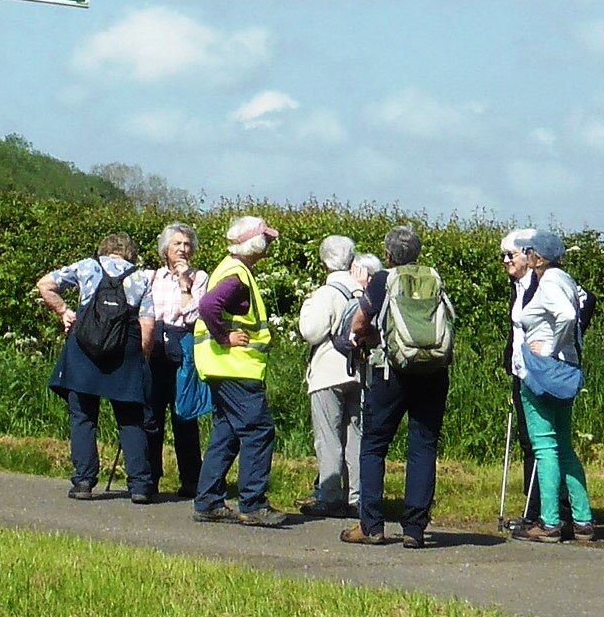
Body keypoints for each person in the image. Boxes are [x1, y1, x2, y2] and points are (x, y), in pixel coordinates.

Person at [344, 225, 451, 551]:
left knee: (375, 444)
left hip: (392, 373)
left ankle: (372, 525)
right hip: (433, 370)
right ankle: (415, 529)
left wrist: (358, 337)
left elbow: (361, 321)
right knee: (423, 447)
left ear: (388, 255)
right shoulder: (433, 278)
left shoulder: (382, 280)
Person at [36, 233, 157, 503]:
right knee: (130, 418)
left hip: (85, 346)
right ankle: (139, 485)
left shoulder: (87, 266)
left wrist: (64, 312)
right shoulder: (140, 278)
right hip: (125, 350)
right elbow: (147, 325)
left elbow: (45, 284)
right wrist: (142, 358)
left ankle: (83, 481)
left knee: (83, 415)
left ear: (104, 249)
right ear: (129, 253)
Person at [191, 215, 284, 526]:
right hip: (236, 367)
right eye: (267, 240)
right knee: (259, 430)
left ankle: (208, 499)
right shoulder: (237, 275)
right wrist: (224, 336)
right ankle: (253, 504)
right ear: (254, 244)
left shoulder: (230, 268)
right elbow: (208, 306)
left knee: (227, 432)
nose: (269, 245)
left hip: (220, 366)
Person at [510, 232, 597, 543]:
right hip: (567, 370)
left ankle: (549, 522)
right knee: (564, 447)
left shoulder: (547, 283)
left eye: (529, 251)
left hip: (544, 373)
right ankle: (583, 519)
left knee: (544, 446)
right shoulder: (565, 279)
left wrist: (546, 347)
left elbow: (567, 316)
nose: (526, 254)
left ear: (540, 258)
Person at [296, 235, 370, 518]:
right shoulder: (362, 293)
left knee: (328, 437)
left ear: (324, 261)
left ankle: (329, 496)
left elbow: (311, 332)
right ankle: (358, 496)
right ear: (352, 260)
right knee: (356, 435)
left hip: (328, 371)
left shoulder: (326, 294)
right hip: (358, 370)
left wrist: (307, 307)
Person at [143, 221, 208, 499]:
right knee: (151, 415)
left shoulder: (200, 277)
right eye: (176, 244)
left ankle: (191, 480)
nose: (182, 249)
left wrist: (185, 285)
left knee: (184, 415)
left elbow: (193, 315)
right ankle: (148, 479)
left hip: (183, 347)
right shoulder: (152, 277)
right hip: (156, 347)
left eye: (186, 244)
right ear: (165, 249)